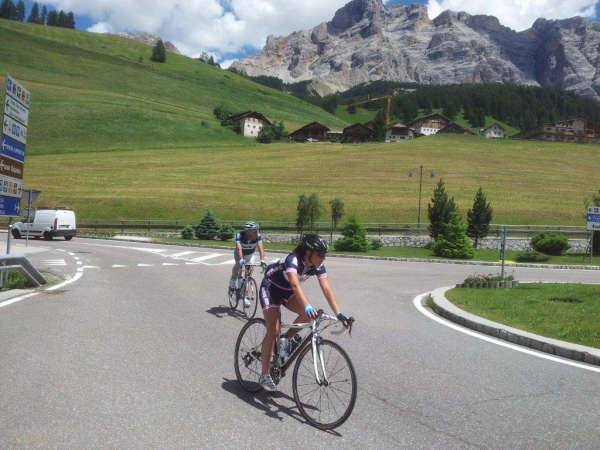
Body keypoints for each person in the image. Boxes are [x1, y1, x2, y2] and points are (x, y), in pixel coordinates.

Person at [258, 233, 351, 391]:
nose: (323, 258)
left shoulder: (317, 266)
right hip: (270, 288)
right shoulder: (293, 260)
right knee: (273, 330)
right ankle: (264, 374)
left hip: (287, 291)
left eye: (324, 255)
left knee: (308, 315)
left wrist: (339, 314)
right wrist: (307, 305)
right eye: (320, 255)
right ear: (308, 252)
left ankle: (285, 339)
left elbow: (326, 289)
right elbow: (295, 285)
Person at [229, 222, 266, 301]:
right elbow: (239, 248)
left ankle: (246, 295)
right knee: (238, 266)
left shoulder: (258, 236)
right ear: (249, 233)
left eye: (257, 231)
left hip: (250, 254)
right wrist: (241, 259)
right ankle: (232, 282)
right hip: (239, 253)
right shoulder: (239, 235)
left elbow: (260, 248)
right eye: (255, 231)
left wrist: (262, 260)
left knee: (248, 274)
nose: (257, 233)